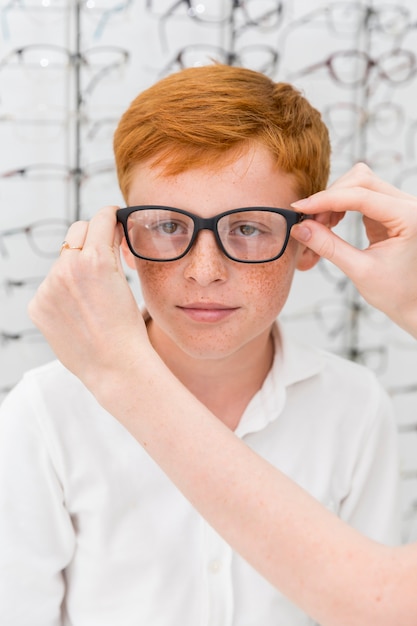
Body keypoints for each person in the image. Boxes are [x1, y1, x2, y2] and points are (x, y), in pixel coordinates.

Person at [0, 66, 400, 626]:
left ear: (310, 238)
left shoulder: (355, 406)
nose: (204, 272)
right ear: (122, 240)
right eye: (166, 226)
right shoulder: (43, 415)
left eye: (248, 228)